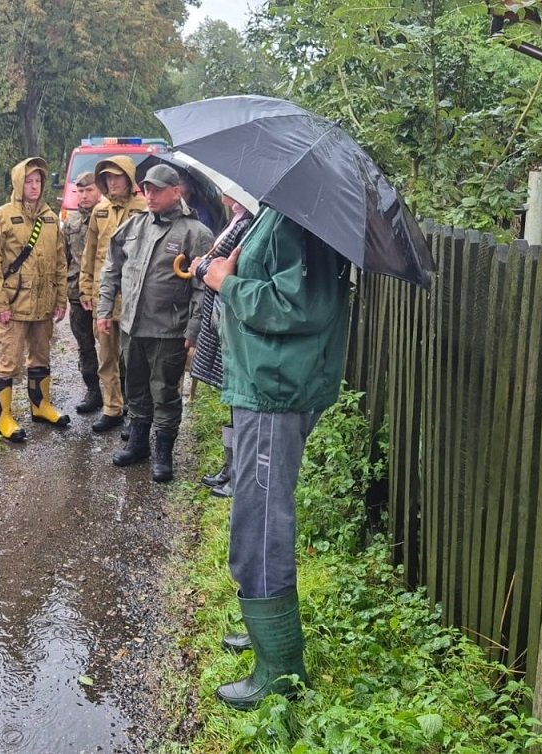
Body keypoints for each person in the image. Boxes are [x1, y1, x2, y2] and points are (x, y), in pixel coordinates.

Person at [201, 206, 352, 710]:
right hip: (264, 383)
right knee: (255, 513)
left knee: (261, 524)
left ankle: (281, 669)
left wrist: (227, 282)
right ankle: (265, 631)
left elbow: (300, 306)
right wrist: (232, 268)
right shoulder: (279, 214)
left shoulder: (300, 221)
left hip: (276, 389)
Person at [97, 164, 214, 482]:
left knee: (164, 392)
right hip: (132, 327)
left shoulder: (196, 234)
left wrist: (193, 329)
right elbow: (112, 268)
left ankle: (163, 455)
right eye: (146, 189)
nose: (149, 195)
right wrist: (105, 309)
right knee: (134, 388)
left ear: (176, 192)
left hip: (168, 330)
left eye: (157, 189)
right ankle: (138, 445)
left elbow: (203, 288)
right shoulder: (135, 226)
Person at [0, 156, 70, 442]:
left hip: (43, 304)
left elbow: (60, 259)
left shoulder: (49, 217)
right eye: (29, 181)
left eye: (38, 181)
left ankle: (40, 405)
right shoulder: (2, 217)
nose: (34, 186)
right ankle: (4, 418)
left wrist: (61, 299)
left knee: (41, 356)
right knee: (8, 360)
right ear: (19, 183)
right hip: (14, 304)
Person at [189, 195, 256, 498]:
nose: (223, 195)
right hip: (220, 317)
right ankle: (229, 468)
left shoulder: (249, 224)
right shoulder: (237, 220)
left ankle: (237, 475)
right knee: (231, 402)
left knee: (238, 402)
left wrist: (201, 268)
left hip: (230, 317)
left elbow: (226, 268)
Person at [79, 155, 148, 433]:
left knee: (133, 359)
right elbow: (90, 251)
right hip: (104, 298)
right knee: (106, 357)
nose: (111, 182)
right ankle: (112, 408)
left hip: (134, 298)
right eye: (107, 177)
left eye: (117, 176)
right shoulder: (100, 210)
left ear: (129, 179)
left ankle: (135, 412)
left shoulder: (144, 209)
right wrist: (85, 287)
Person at [61, 171, 103, 414]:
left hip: (104, 295)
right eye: (80, 191)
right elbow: (63, 258)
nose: (84, 196)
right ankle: (93, 391)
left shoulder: (108, 217)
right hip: (77, 294)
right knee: (85, 345)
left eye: (89, 190)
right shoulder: (72, 222)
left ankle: (121, 395)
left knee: (113, 349)